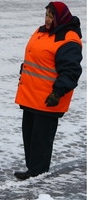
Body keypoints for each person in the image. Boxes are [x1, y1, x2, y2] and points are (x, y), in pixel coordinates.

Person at [14, 1, 82, 180]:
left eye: (51, 16)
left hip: (48, 99)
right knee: (29, 136)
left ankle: (38, 176)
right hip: (30, 96)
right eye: (46, 15)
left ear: (60, 18)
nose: (47, 19)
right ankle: (32, 171)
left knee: (41, 141)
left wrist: (57, 93)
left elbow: (71, 71)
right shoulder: (41, 32)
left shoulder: (69, 39)